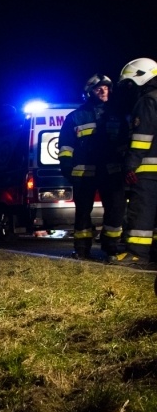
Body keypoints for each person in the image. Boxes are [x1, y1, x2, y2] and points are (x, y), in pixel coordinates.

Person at [58, 73, 128, 260]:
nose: (103, 90)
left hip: (111, 172)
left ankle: (111, 246)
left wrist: (126, 166)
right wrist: (66, 167)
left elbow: (124, 143)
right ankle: (82, 248)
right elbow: (65, 146)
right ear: (89, 93)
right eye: (99, 88)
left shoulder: (116, 116)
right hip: (84, 172)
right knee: (82, 212)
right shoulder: (75, 117)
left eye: (106, 88)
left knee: (115, 210)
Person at [110, 58, 157, 268]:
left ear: (141, 76)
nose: (128, 89)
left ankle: (137, 254)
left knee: (142, 210)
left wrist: (130, 164)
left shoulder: (147, 101)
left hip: (148, 169)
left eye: (129, 83)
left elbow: (142, 137)